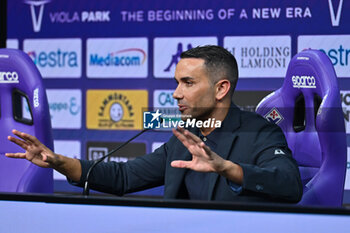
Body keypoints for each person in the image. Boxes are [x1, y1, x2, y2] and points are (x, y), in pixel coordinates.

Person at [6, 45, 302, 203]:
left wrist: (227, 168)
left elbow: (290, 185)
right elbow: (124, 177)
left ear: (221, 89)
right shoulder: (184, 138)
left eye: (188, 83)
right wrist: (58, 162)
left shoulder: (259, 131)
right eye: (176, 83)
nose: (176, 93)